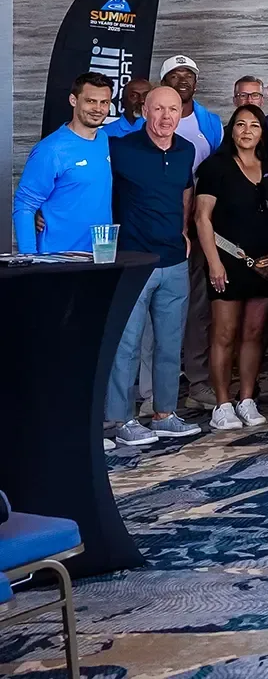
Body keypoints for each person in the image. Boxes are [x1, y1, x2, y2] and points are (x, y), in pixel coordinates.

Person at [105, 86, 202, 446]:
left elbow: (186, 190)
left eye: (172, 110)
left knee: (169, 344)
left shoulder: (185, 150)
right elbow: (89, 185)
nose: (165, 117)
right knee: (127, 344)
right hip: (133, 261)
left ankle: (165, 414)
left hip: (174, 260)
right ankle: (121, 420)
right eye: (158, 109)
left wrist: (184, 229)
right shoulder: (120, 148)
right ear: (144, 110)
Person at [194, 105, 268, 431]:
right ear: (231, 130)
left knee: (254, 333)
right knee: (224, 334)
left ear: (263, 132)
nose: (247, 131)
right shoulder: (216, 166)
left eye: (254, 125)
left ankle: (247, 399)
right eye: (240, 125)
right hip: (228, 262)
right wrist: (214, 263)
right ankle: (222, 404)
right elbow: (202, 218)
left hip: (265, 264)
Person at [14, 72, 114, 253]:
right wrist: (29, 258)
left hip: (99, 255)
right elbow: (25, 204)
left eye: (104, 102)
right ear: (73, 100)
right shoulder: (51, 150)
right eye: (90, 101)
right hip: (58, 258)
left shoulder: (103, 139)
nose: (98, 109)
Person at [155, 55, 225, 168]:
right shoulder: (148, 119)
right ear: (163, 84)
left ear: (195, 84)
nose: (183, 81)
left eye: (189, 76)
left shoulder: (212, 123)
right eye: (175, 76)